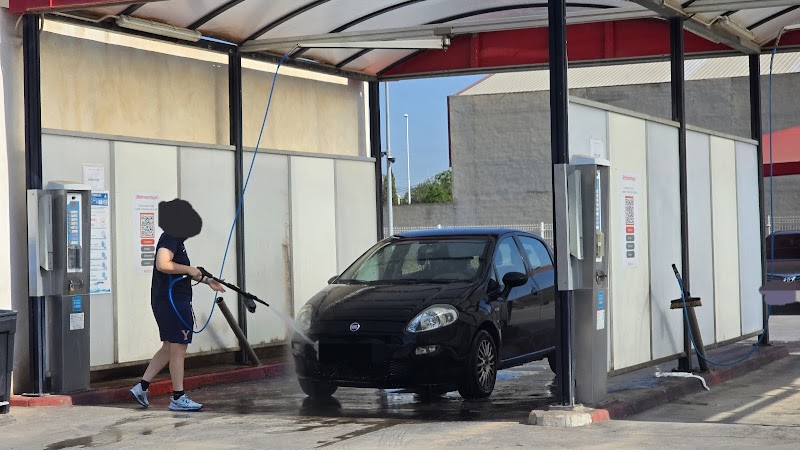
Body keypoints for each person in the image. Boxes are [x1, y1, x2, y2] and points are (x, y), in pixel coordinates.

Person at [129, 199, 225, 411]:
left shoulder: (175, 239)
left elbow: (179, 271)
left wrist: (207, 281)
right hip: (172, 301)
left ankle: (142, 387)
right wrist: (190, 269)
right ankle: (178, 398)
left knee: (169, 347)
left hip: (166, 300)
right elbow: (163, 264)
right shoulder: (171, 237)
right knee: (179, 349)